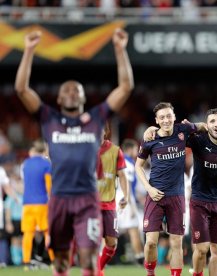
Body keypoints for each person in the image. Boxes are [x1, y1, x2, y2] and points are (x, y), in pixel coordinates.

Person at [15, 28, 134, 276]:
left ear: (82, 97)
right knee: (60, 260)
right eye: (66, 90)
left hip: (87, 200)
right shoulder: (49, 118)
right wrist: (28, 51)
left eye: (76, 90)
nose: (71, 92)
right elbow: (22, 90)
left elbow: (125, 87)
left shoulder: (96, 119)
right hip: (58, 198)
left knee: (88, 259)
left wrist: (120, 51)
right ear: (58, 99)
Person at [135, 102, 206, 276]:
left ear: (174, 117)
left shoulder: (183, 130)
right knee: (151, 242)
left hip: (177, 196)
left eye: (169, 116)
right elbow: (138, 166)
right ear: (157, 120)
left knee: (176, 242)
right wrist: (149, 189)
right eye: (162, 117)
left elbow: (205, 126)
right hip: (155, 195)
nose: (166, 120)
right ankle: (150, 273)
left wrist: (196, 126)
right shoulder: (150, 139)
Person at [187, 108, 217, 276]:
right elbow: (176, 132)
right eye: (212, 121)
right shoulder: (198, 141)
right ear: (207, 125)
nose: (216, 124)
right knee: (201, 248)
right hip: (200, 201)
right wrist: (195, 126)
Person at [97, 122, 129, 275]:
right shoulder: (85, 150)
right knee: (91, 241)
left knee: (112, 243)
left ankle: (99, 268)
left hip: (109, 203)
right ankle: (97, 272)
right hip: (90, 204)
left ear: (106, 132)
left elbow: (122, 175)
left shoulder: (116, 151)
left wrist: (126, 195)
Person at [20, 139, 54, 270]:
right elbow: (48, 185)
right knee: (47, 232)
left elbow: (25, 182)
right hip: (42, 203)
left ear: (33, 151)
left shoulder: (25, 164)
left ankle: (26, 263)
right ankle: (53, 260)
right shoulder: (46, 164)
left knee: (28, 233)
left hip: (27, 203)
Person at [117, 138, 144, 264]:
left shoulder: (119, 160)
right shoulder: (127, 162)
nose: (137, 151)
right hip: (124, 197)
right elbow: (126, 183)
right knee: (133, 228)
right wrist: (131, 203)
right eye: (135, 148)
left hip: (117, 196)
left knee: (111, 229)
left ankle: (101, 256)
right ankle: (139, 257)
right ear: (129, 149)